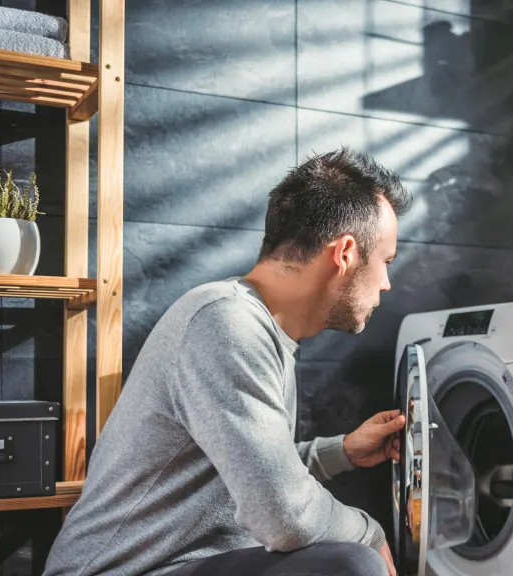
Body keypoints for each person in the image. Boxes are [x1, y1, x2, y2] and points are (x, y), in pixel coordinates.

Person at [43, 147, 413, 576]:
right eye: (385, 262)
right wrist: (369, 532)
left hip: (183, 565)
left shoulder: (256, 327)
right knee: (352, 563)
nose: (386, 284)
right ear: (345, 254)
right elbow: (283, 515)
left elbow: (248, 472)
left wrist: (342, 451)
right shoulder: (225, 322)